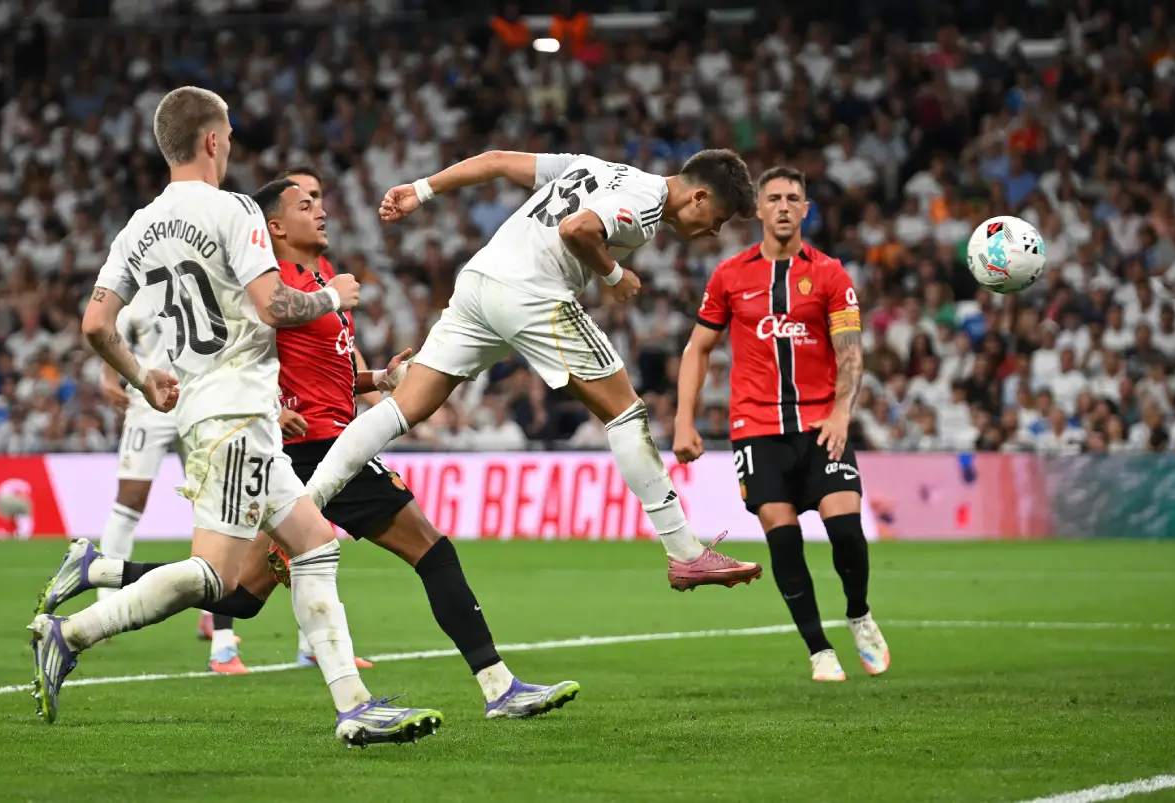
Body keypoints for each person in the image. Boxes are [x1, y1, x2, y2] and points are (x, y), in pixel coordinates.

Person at [52, 168, 579, 718]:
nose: (320, 210)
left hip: (315, 444)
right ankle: (497, 687)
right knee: (433, 551)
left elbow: (333, 374)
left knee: (237, 594)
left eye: (320, 199)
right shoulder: (269, 282)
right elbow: (229, 348)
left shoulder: (318, 278)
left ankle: (97, 569)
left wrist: (379, 379)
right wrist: (267, 407)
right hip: (317, 447)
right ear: (274, 226)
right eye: (306, 204)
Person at [29, 86, 443, 747]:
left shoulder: (138, 226)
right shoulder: (235, 210)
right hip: (233, 412)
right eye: (230, 133)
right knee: (217, 576)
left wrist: (144, 375)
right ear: (214, 141)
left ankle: (354, 706)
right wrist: (333, 296)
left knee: (314, 544)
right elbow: (276, 305)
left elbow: (95, 322)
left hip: (220, 409)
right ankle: (73, 630)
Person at [303, 149, 763, 590]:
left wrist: (422, 190)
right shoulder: (646, 203)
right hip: (532, 293)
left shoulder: (595, 166)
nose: (714, 232)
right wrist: (614, 275)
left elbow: (496, 161)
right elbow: (577, 228)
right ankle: (685, 553)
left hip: (480, 282)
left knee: (402, 408)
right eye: (718, 220)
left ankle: (307, 505)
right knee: (626, 413)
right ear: (699, 197)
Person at [673, 166, 890, 681]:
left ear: (806, 208)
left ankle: (858, 613)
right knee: (784, 539)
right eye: (775, 198)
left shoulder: (832, 274)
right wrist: (684, 420)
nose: (785, 206)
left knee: (846, 532)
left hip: (821, 425)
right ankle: (819, 650)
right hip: (757, 430)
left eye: (795, 196)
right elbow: (698, 348)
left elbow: (851, 352)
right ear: (759, 209)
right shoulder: (729, 275)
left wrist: (842, 412)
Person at [93, 294, 182, 605]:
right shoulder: (137, 300)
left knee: (211, 501)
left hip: (198, 400)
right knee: (130, 497)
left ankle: (215, 611)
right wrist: (107, 378)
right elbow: (107, 332)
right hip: (148, 402)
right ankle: (105, 600)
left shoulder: (199, 280)